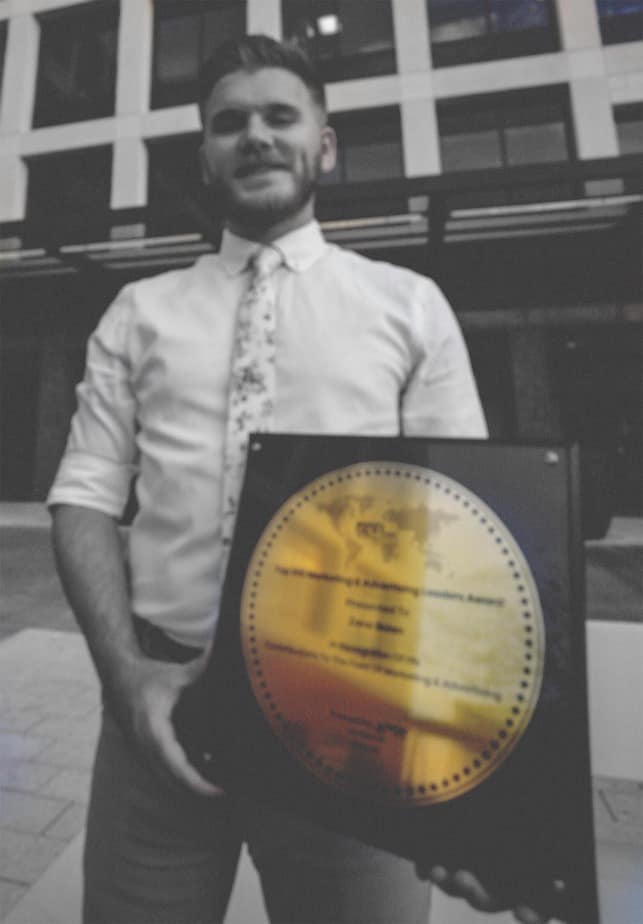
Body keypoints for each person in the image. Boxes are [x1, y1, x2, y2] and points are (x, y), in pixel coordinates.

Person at [48, 34, 545, 924]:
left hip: (353, 719)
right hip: (160, 710)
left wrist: (466, 776)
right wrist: (125, 681)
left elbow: (462, 534)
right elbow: (85, 493)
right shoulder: (139, 312)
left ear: (323, 142)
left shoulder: (408, 304)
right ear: (205, 153)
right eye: (228, 122)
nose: (254, 136)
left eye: (280, 116)